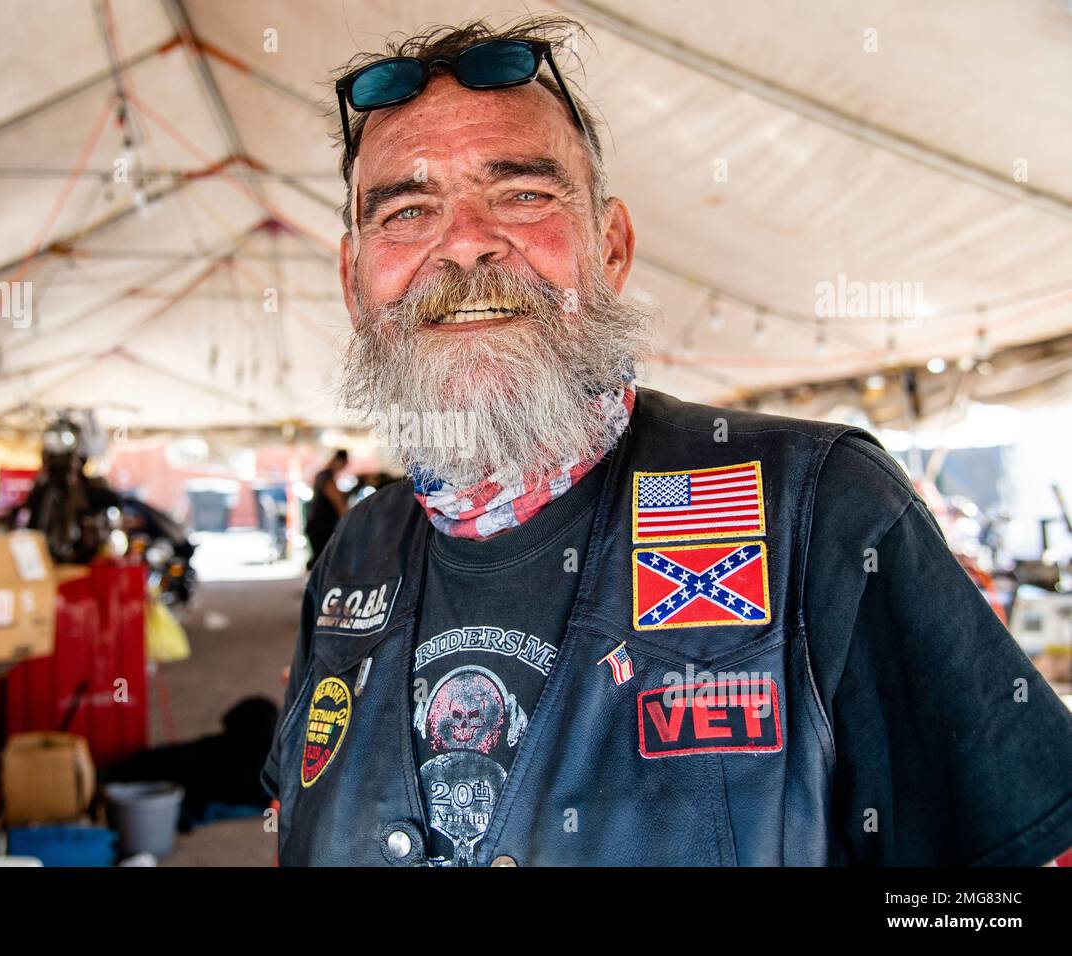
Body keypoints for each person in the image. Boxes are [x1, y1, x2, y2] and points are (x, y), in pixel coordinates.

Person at [262, 15, 1072, 866]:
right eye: (408, 209)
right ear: (355, 285)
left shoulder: (818, 507)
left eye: (523, 194)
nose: (465, 242)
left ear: (610, 249)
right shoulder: (358, 551)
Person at [304, 449, 349, 568]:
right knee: (322, 560)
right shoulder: (326, 476)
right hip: (321, 525)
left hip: (316, 523)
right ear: (339, 461)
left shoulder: (323, 475)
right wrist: (347, 517)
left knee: (320, 559)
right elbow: (336, 499)